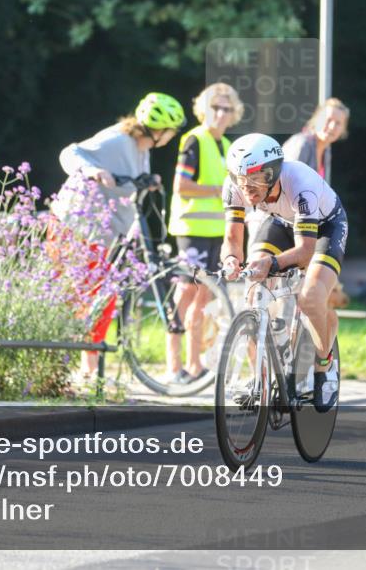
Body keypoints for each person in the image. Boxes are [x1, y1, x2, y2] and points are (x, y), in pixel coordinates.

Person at [51, 92, 186, 378]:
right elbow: (69, 153)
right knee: (81, 298)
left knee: (104, 298)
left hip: (106, 234)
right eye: (171, 131)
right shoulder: (117, 140)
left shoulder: (143, 150)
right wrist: (94, 170)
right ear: (159, 130)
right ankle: (66, 367)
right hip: (77, 227)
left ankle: (89, 370)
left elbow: (130, 184)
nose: (172, 136)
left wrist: (148, 182)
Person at [220, 133, 348, 412]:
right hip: (279, 222)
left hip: (325, 227)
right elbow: (232, 237)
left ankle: (325, 366)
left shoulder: (301, 182)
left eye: (256, 178)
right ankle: (260, 378)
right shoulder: (233, 187)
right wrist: (231, 260)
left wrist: (272, 264)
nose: (247, 187)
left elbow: (304, 251)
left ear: (274, 171)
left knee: (311, 297)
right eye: (240, 178)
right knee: (253, 288)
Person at [164, 83, 242, 384]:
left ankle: (194, 365)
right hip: (191, 229)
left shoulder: (224, 146)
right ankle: (173, 366)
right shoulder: (193, 140)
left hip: (215, 231)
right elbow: (180, 186)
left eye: (227, 109)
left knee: (203, 299)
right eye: (215, 107)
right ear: (203, 110)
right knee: (185, 294)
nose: (221, 114)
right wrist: (218, 190)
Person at [282, 97, 350, 179]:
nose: (332, 127)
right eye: (329, 119)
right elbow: (286, 183)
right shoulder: (302, 144)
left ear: (343, 129)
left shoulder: (326, 150)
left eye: (338, 123)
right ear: (318, 119)